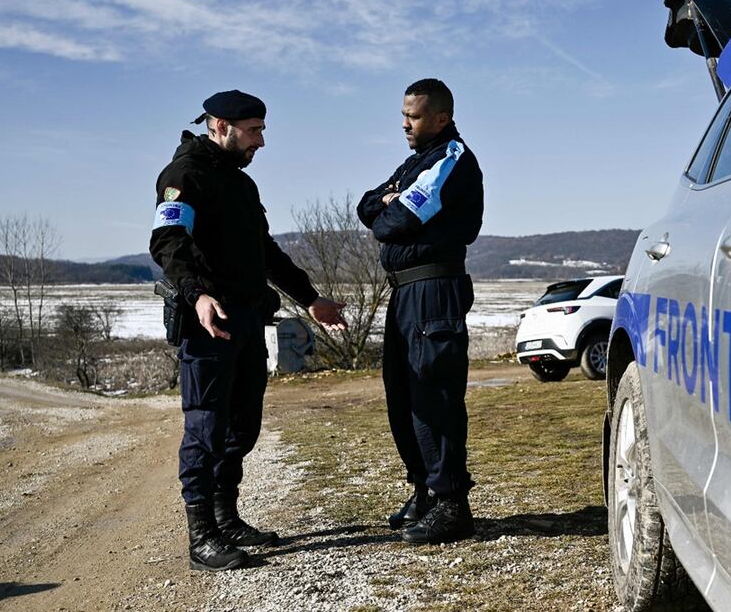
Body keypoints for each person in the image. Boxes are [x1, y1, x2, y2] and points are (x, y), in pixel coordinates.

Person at [149, 90, 347, 571]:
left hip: (246, 320)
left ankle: (225, 515)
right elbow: (167, 240)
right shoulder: (184, 176)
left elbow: (267, 253)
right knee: (205, 427)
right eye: (253, 131)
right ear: (220, 126)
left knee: (243, 425)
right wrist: (197, 294)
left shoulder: (240, 185)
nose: (260, 141)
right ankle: (202, 537)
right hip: (208, 323)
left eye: (262, 130)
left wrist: (310, 298)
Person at [357, 78, 484, 544]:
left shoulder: (451, 160)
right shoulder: (417, 162)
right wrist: (386, 201)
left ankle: (453, 503)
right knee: (403, 395)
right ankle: (425, 490)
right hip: (405, 292)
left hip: (434, 288)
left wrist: (391, 205)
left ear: (441, 118)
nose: (404, 124)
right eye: (403, 116)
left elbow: (394, 222)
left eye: (412, 116)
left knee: (434, 394)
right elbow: (366, 205)